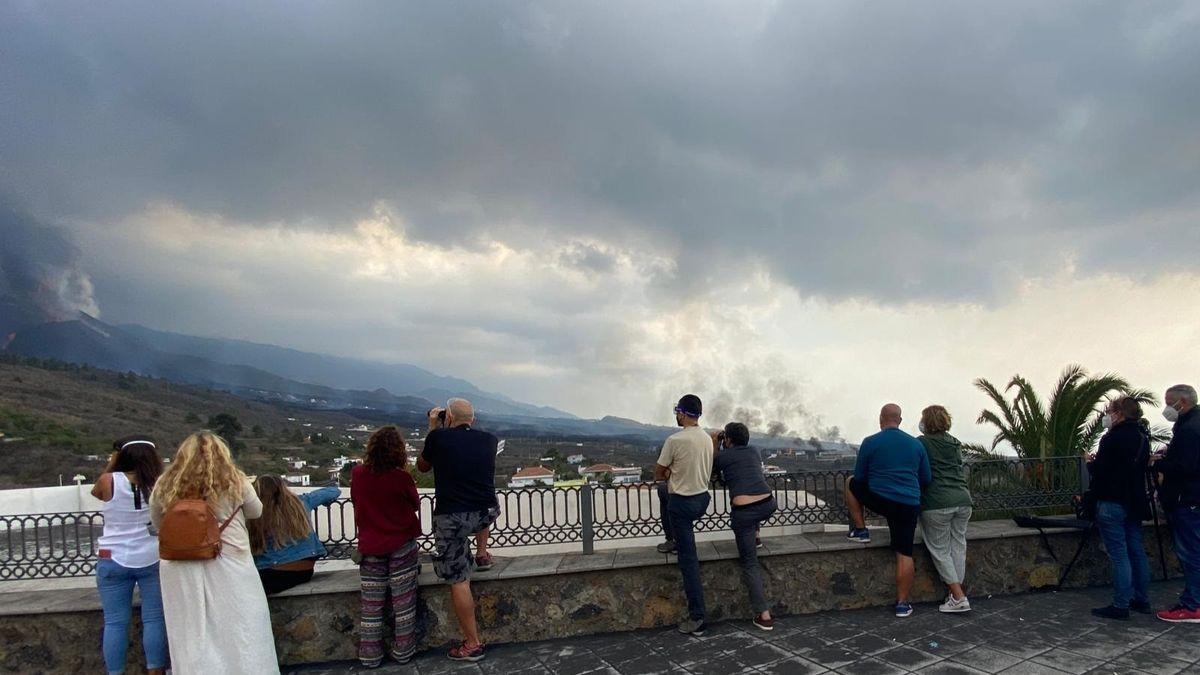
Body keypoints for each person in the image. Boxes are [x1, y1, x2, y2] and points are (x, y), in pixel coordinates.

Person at [149, 432, 279, 674]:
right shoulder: (235, 481)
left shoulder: (165, 484)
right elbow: (256, 511)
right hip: (230, 561)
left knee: (191, 631)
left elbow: (158, 522)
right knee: (242, 628)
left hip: (180, 566)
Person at [417, 398, 500, 662]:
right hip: (485, 512)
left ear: (448, 417)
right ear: (473, 420)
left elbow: (422, 466)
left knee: (459, 580)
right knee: (482, 507)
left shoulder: (438, 438)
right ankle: (483, 554)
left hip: (451, 517)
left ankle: (472, 643)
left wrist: (433, 426)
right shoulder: (489, 440)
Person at [845, 403, 931, 618]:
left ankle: (861, 530)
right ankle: (902, 604)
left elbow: (860, 477)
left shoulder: (870, 442)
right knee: (904, 552)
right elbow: (926, 479)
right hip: (908, 504)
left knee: (850, 482)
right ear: (900, 420)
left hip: (881, 500)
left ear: (881, 419)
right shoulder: (916, 445)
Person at [92, 435, 168, 675]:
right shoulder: (161, 483)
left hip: (112, 557)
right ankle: (155, 670)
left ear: (122, 455)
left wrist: (113, 462)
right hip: (151, 556)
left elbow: (96, 493)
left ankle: (115, 672)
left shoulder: (108, 480)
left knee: (115, 622)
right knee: (154, 619)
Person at [351, 426, 422, 667]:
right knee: (403, 603)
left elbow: (356, 500)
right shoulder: (400, 477)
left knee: (371, 605)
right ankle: (403, 651)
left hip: (370, 547)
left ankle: (370, 655)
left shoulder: (358, 474)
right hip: (401, 544)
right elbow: (414, 503)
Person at [654, 394, 714, 636]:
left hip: (682, 505)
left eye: (677, 411)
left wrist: (671, 473)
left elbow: (659, 473)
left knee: (689, 562)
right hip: (702, 500)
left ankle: (698, 618)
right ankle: (673, 540)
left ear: (682, 413)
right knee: (663, 493)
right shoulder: (708, 438)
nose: (676, 416)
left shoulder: (674, 440)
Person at [1088, 396, 1152, 620]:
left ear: (1119, 413)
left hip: (1112, 501)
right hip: (1134, 501)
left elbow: (1102, 470)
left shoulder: (1112, 439)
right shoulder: (1142, 437)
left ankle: (1121, 604)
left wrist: (1089, 463)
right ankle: (1141, 599)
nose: (1107, 415)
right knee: (1136, 550)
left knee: (1119, 554)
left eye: (1109, 410)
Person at [711, 422, 777, 631]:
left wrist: (715, 443)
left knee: (750, 563)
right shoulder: (754, 451)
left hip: (744, 513)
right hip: (768, 503)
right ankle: (757, 535)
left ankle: (763, 614)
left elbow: (713, 468)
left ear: (728, 440)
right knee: (753, 515)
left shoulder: (723, 456)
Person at [917, 405, 974, 614]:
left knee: (940, 550)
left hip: (937, 502)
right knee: (958, 545)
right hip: (963, 499)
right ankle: (956, 594)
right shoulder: (955, 443)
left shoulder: (922, 443)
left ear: (926, 422)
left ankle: (958, 596)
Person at [1154, 384, 1200, 623]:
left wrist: (1159, 464)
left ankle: (1193, 605)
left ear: (1182, 402)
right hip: (1192, 497)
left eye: (1169, 402)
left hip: (1187, 499)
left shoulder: (1190, 430)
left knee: (1191, 553)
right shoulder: (1192, 424)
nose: (1167, 408)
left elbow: (1185, 467)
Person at [249, 476, 340, 595]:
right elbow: (334, 491)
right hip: (304, 571)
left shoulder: (255, 512)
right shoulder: (302, 501)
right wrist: (326, 501)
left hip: (271, 572)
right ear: (283, 488)